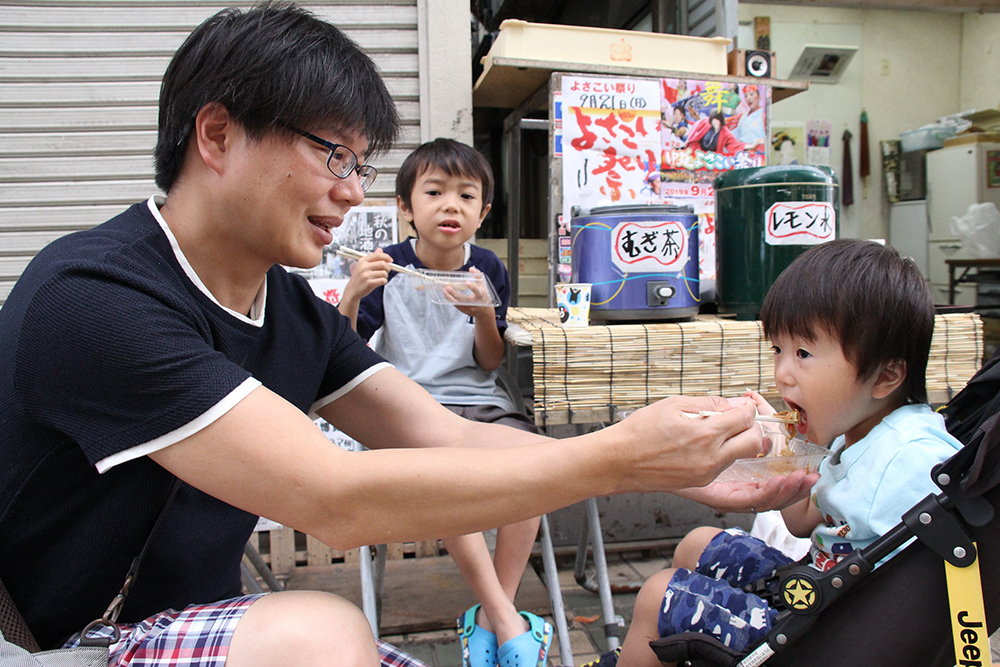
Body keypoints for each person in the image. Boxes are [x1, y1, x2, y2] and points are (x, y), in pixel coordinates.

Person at [0, 4, 812, 666]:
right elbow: (333, 497)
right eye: (332, 156)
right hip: (48, 643)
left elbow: (443, 433)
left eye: (361, 165)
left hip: (179, 624)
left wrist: (669, 468)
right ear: (216, 135)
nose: (349, 192)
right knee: (320, 636)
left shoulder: (290, 312)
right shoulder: (94, 298)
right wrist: (618, 457)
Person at [587, 239, 964, 667]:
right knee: (699, 543)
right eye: (778, 350)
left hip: (830, 635)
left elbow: (927, 596)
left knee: (658, 596)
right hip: (813, 593)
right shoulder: (854, 434)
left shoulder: (910, 458)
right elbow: (802, 522)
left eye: (803, 353)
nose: (782, 373)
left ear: (886, 376)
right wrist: (781, 451)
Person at [337, 138, 551, 666]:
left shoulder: (487, 270)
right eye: (434, 192)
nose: (450, 205)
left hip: (479, 402)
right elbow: (337, 355)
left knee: (537, 466)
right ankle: (505, 621)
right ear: (407, 207)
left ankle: (489, 615)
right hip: (407, 409)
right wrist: (351, 296)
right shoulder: (386, 269)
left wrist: (483, 313)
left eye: (466, 195)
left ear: (484, 212)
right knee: (444, 474)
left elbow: (486, 364)